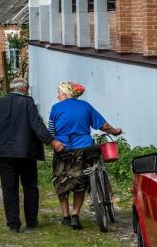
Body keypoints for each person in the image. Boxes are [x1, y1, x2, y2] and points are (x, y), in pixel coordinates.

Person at [0, 77, 65, 233]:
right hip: (26, 152)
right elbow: (37, 125)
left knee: (9, 189)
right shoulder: (27, 103)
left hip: (5, 154)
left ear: (12, 89)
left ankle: (13, 225)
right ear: (24, 89)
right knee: (30, 187)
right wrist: (52, 141)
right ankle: (31, 222)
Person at [48, 81, 121, 229]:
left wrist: (56, 142)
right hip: (84, 148)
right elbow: (103, 125)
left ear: (66, 94)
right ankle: (75, 215)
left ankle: (65, 217)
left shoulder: (55, 108)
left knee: (61, 180)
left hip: (62, 149)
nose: (58, 96)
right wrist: (115, 131)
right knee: (81, 180)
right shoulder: (85, 106)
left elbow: (52, 131)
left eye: (59, 93)